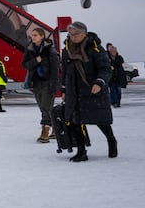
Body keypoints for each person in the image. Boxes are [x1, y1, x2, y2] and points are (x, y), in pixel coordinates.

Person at [60, 21, 117, 162]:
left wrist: (100, 82)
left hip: (93, 90)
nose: (74, 37)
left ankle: (111, 141)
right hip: (74, 91)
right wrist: (64, 90)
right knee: (75, 122)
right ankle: (81, 151)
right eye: (71, 34)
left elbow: (105, 68)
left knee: (101, 121)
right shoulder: (67, 50)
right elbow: (66, 72)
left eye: (77, 34)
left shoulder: (95, 48)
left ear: (85, 33)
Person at [22, 28, 59, 142]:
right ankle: (56, 128)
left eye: (35, 35)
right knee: (44, 107)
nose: (33, 37)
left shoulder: (50, 50)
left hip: (48, 81)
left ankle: (45, 131)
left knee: (45, 107)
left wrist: (54, 84)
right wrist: (35, 61)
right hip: (36, 82)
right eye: (32, 35)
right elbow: (25, 65)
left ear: (42, 36)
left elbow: (55, 69)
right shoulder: (30, 49)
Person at [106, 43, 127, 107]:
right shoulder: (107, 57)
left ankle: (118, 102)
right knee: (112, 90)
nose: (113, 52)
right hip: (111, 76)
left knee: (118, 90)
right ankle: (114, 102)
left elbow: (122, 65)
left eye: (114, 51)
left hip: (119, 76)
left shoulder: (119, 57)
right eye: (112, 51)